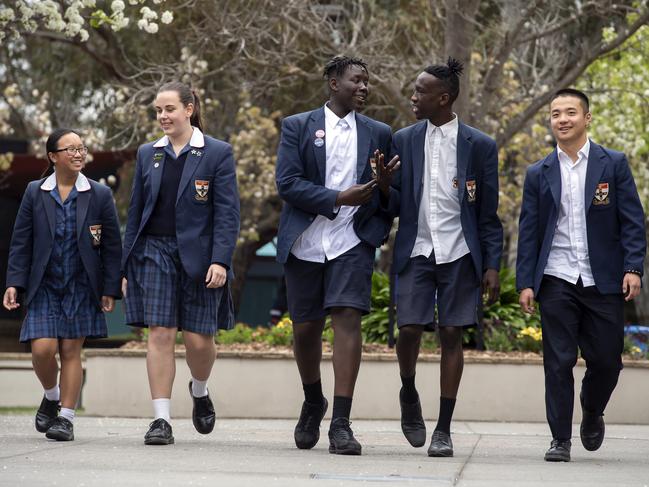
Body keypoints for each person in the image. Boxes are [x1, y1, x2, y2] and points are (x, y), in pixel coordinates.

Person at [275, 56, 398, 455]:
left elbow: (393, 199)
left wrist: (382, 188)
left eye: (367, 81)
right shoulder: (297, 126)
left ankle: (341, 423)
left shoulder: (380, 132)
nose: (363, 87)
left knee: (347, 321)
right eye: (355, 81)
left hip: (352, 241)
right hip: (306, 242)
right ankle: (314, 402)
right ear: (333, 83)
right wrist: (336, 198)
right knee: (306, 329)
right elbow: (288, 183)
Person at [381, 58, 502, 457]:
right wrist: (383, 188)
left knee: (452, 334)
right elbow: (395, 203)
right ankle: (408, 389)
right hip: (416, 249)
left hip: (460, 252)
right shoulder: (403, 139)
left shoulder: (480, 146)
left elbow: (487, 213)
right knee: (410, 328)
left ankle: (444, 430)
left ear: (444, 98)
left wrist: (491, 266)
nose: (413, 97)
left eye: (420, 92)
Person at [516, 88, 646, 462]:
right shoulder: (538, 172)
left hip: (603, 278)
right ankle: (560, 439)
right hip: (556, 279)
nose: (562, 120)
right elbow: (529, 231)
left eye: (570, 112)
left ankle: (591, 409)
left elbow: (633, 222)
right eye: (556, 114)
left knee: (607, 360)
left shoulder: (613, 163)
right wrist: (526, 281)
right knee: (557, 362)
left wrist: (633, 267)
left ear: (586, 118)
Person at [121, 81, 240, 445]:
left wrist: (220, 260)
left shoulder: (217, 153)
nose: (162, 116)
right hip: (153, 252)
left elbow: (227, 213)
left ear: (189, 109)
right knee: (159, 333)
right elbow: (136, 211)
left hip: (201, 258)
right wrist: (125, 268)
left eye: (169, 109)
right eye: (158, 110)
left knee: (199, 342)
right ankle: (161, 420)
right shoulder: (148, 154)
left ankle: (200, 390)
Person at [3, 128, 122, 441]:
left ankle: (66, 418)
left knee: (71, 350)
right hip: (43, 284)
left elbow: (111, 245)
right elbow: (21, 241)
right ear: (53, 157)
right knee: (43, 350)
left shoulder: (98, 194)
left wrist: (110, 288)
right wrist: (14, 282)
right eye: (70, 149)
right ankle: (52, 395)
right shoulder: (34, 192)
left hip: (82, 284)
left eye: (81, 148)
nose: (78, 153)